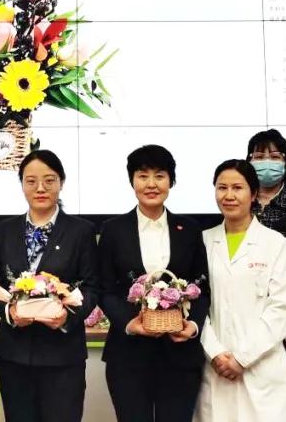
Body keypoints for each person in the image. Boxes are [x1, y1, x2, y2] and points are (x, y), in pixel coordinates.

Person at [98, 145, 210, 422]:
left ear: (171, 181)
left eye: (159, 176)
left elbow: (202, 287)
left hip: (180, 355)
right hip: (128, 355)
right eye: (142, 175)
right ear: (132, 181)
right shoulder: (112, 230)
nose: (151, 184)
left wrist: (193, 326)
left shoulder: (190, 229)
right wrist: (129, 323)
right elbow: (105, 288)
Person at [0, 150, 100, 422]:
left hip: (63, 356)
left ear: (61, 182)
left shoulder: (81, 231)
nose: (40, 188)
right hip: (14, 356)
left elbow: (93, 286)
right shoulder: (5, 230)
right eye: (31, 181)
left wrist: (67, 317)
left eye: (49, 180)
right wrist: (10, 314)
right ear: (22, 184)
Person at [196, 160, 286, 422]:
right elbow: (194, 306)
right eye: (222, 187)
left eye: (237, 188)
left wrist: (242, 358)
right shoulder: (202, 241)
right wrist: (215, 353)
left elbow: (281, 309)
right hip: (215, 365)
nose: (229, 195)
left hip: (262, 367)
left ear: (253, 194)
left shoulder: (275, 243)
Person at [247, 129, 286, 239]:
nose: (267, 162)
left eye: (275, 157)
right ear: (249, 161)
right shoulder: (240, 202)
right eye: (259, 157)